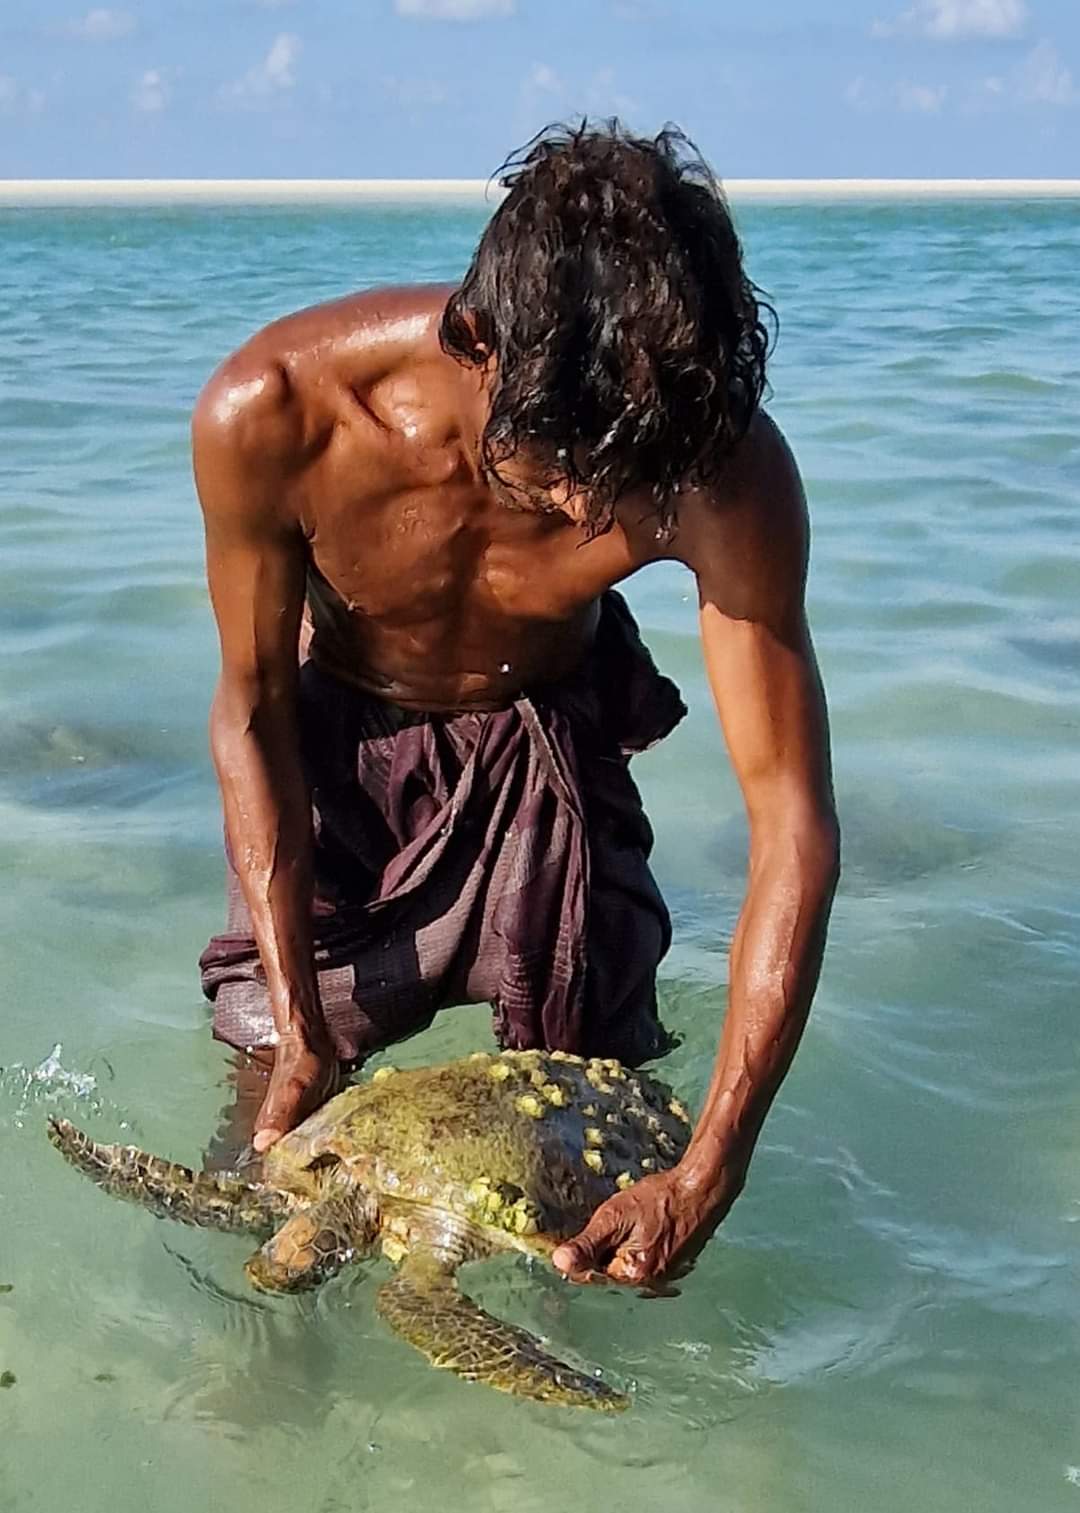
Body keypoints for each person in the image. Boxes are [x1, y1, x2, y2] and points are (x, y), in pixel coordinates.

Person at [192, 122, 840, 1287]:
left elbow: (791, 820)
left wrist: (712, 1166)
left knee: (599, 1126)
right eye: (566, 469)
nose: (599, 512)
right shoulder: (273, 414)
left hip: (550, 725)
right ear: (477, 344)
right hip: (341, 737)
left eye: (628, 478)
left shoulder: (714, 473)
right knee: (269, 1142)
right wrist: (298, 1023)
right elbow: (249, 712)